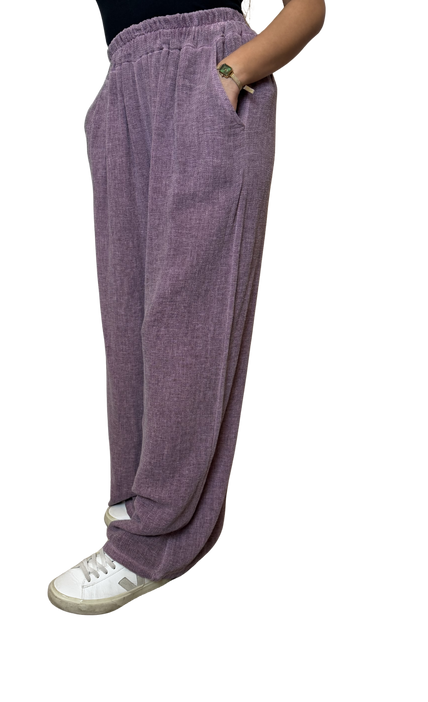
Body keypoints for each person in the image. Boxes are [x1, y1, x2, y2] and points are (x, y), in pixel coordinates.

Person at [44, 0, 328, 618]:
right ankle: (143, 496)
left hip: (205, 70)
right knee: (128, 319)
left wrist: (231, 72)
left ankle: (156, 544)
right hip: (126, 78)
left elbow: (311, 4)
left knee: (188, 319)